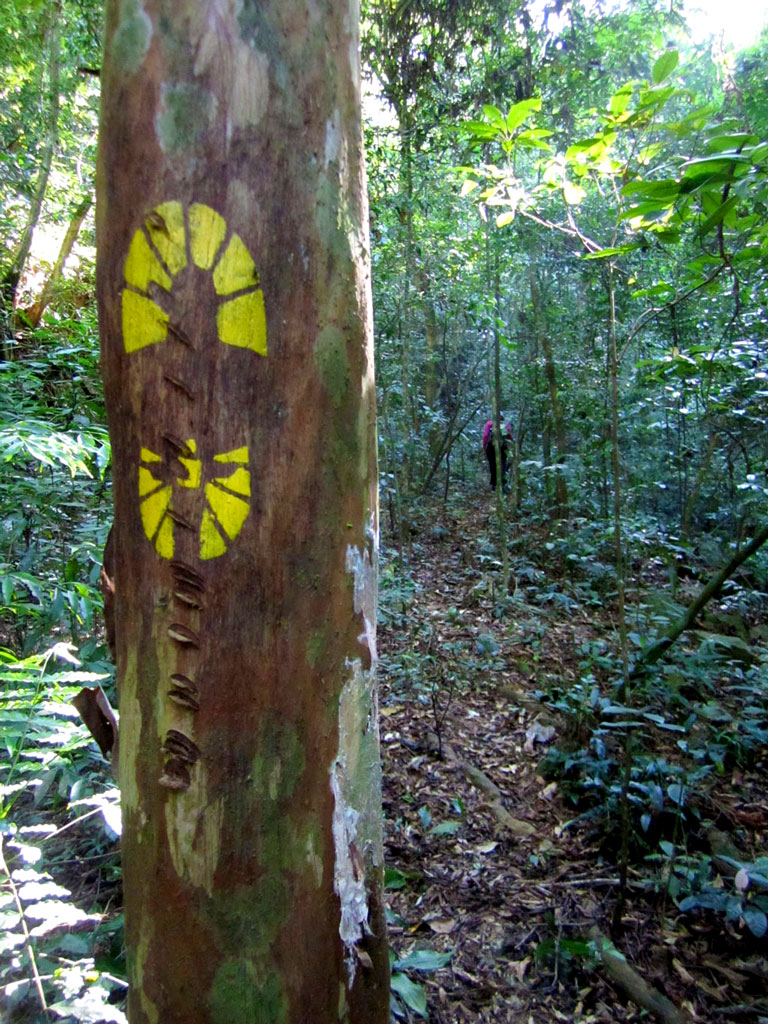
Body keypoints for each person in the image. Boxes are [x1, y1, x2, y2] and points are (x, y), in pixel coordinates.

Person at [482, 415, 513, 491]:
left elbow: (486, 436)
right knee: (502, 464)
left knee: (492, 465)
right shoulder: (506, 424)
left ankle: (493, 484)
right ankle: (502, 484)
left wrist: (484, 447)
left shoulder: (489, 423)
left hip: (491, 446)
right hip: (503, 446)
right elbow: (510, 437)